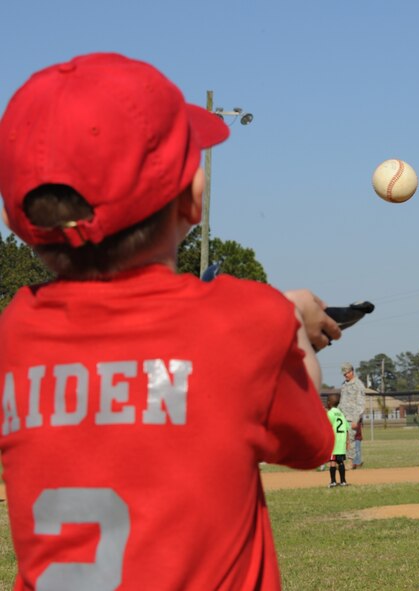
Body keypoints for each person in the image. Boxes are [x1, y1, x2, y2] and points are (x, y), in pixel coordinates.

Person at [0, 52, 342, 591]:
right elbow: (313, 445)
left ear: (22, 219)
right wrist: (292, 322)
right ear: (194, 199)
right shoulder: (247, 321)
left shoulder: (14, 333)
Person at [339, 362, 366, 469]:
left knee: (351, 440)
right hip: (343, 417)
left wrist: (356, 419)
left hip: (352, 418)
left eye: (347, 373)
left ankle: (350, 462)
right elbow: (342, 401)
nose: (345, 375)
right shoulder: (344, 385)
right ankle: (342, 461)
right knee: (342, 440)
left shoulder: (358, 385)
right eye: (344, 374)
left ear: (352, 371)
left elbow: (361, 404)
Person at [326, 393, 349, 487]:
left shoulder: (330, 413)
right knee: (341, 462)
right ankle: (343, 481)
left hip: (333, 442)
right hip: (341, 441)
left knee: (332, 462)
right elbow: (347, 428)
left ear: (329, 403)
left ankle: (333, 481)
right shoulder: (341, 414)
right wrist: (347, 441)